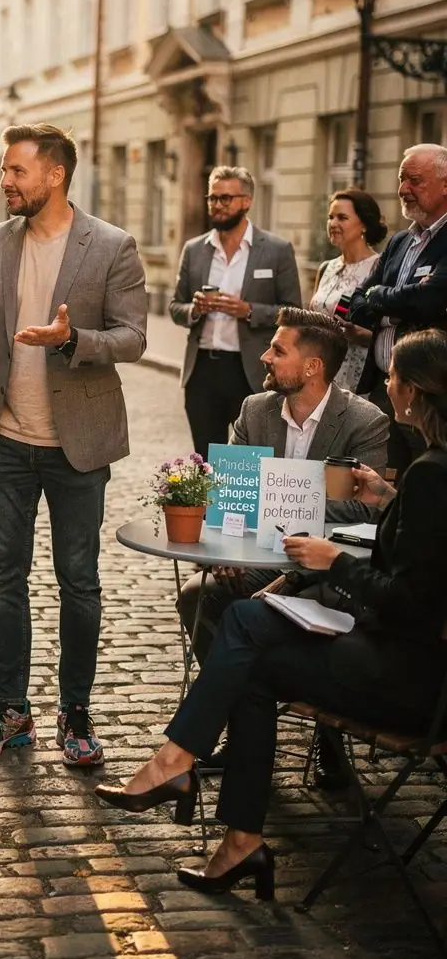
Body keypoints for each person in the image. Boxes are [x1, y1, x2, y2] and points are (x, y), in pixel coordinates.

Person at [95, 329, 447, 900]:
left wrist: (334, 561)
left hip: (411, 681)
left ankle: (177, 763)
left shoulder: (432, 472)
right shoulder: (433, 468)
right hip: (408, 665)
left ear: (412, 391)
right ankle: (237, 838)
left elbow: (409, 600)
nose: (386, 385)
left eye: (393, 378)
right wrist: (385, 501)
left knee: (244, 627)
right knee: (247, 644)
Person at [0, 122, 147, 766]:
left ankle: (76, 711)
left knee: (80, 580)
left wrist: (72, 340)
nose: (6, 181)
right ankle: (11, 709)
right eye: (5, 170)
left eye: (17, 171)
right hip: (7, 440)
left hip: (79, 444)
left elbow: (133, 338)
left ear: (55, 175)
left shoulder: (112, 247)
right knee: (4, 579)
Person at [175, 307, 389, 785]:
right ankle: (242, 727)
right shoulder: (256, 409)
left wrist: (279, 492)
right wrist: (226, 554)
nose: (265, 357)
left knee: (285, 616)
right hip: (255, 559)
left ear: (312, 367)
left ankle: (330, 740)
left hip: (325, 570)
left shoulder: (362, 421)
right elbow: (230, 494)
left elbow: (364, 514)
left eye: (278, 350)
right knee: (198, 593)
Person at [170, 166, 302, 462]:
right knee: (206, 459)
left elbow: (293, 311)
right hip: (202, 370)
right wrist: (194, 309)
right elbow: (174, 307)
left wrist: (249, 310)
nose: (217, 205)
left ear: (246, 201)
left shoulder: (277, 250)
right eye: (212, 198)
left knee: (250, 459)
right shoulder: (194, 249)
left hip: (252, 371)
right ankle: (207, 511)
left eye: (225, 198)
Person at [349, 144, 447, 477]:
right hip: (383, 390)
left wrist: (381, 300)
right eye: (401, 179)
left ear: (445, 184)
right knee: (381, 484)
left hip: (428, 395)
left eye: (415, 180)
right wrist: (394, 303)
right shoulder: (399, 242)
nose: (404, 190)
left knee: (425, 485)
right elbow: (356, 305)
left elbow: (430, 300)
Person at [309, 189, 384, 391]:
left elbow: (388, 333)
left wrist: (359, 334)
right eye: (330, 217)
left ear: (364, 225)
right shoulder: (326, 267)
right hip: (319, 374)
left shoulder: (379, 268)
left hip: (356, 378)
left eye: (342, 217)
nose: (333, 224)